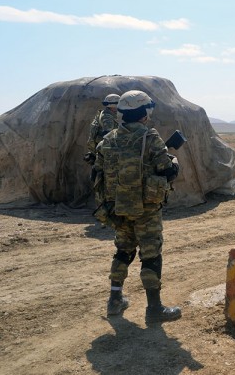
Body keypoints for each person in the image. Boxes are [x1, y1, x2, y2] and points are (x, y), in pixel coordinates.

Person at [93, 90, 182, 324]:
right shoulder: (149, 137)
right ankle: (154, 309)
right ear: (144, 112)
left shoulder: (108, 139)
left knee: (123, 251)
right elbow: (167, 170)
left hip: (118, 208)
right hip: (146, 209)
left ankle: (114, 301)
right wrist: (174, 162)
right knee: (151, 254)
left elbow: (98, 170)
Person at [84, 94, 121, 165]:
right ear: (113, 106)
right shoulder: (107, 117)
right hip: (105, 149)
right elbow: (109, 135)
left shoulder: (105, 113)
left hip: (101, 148)